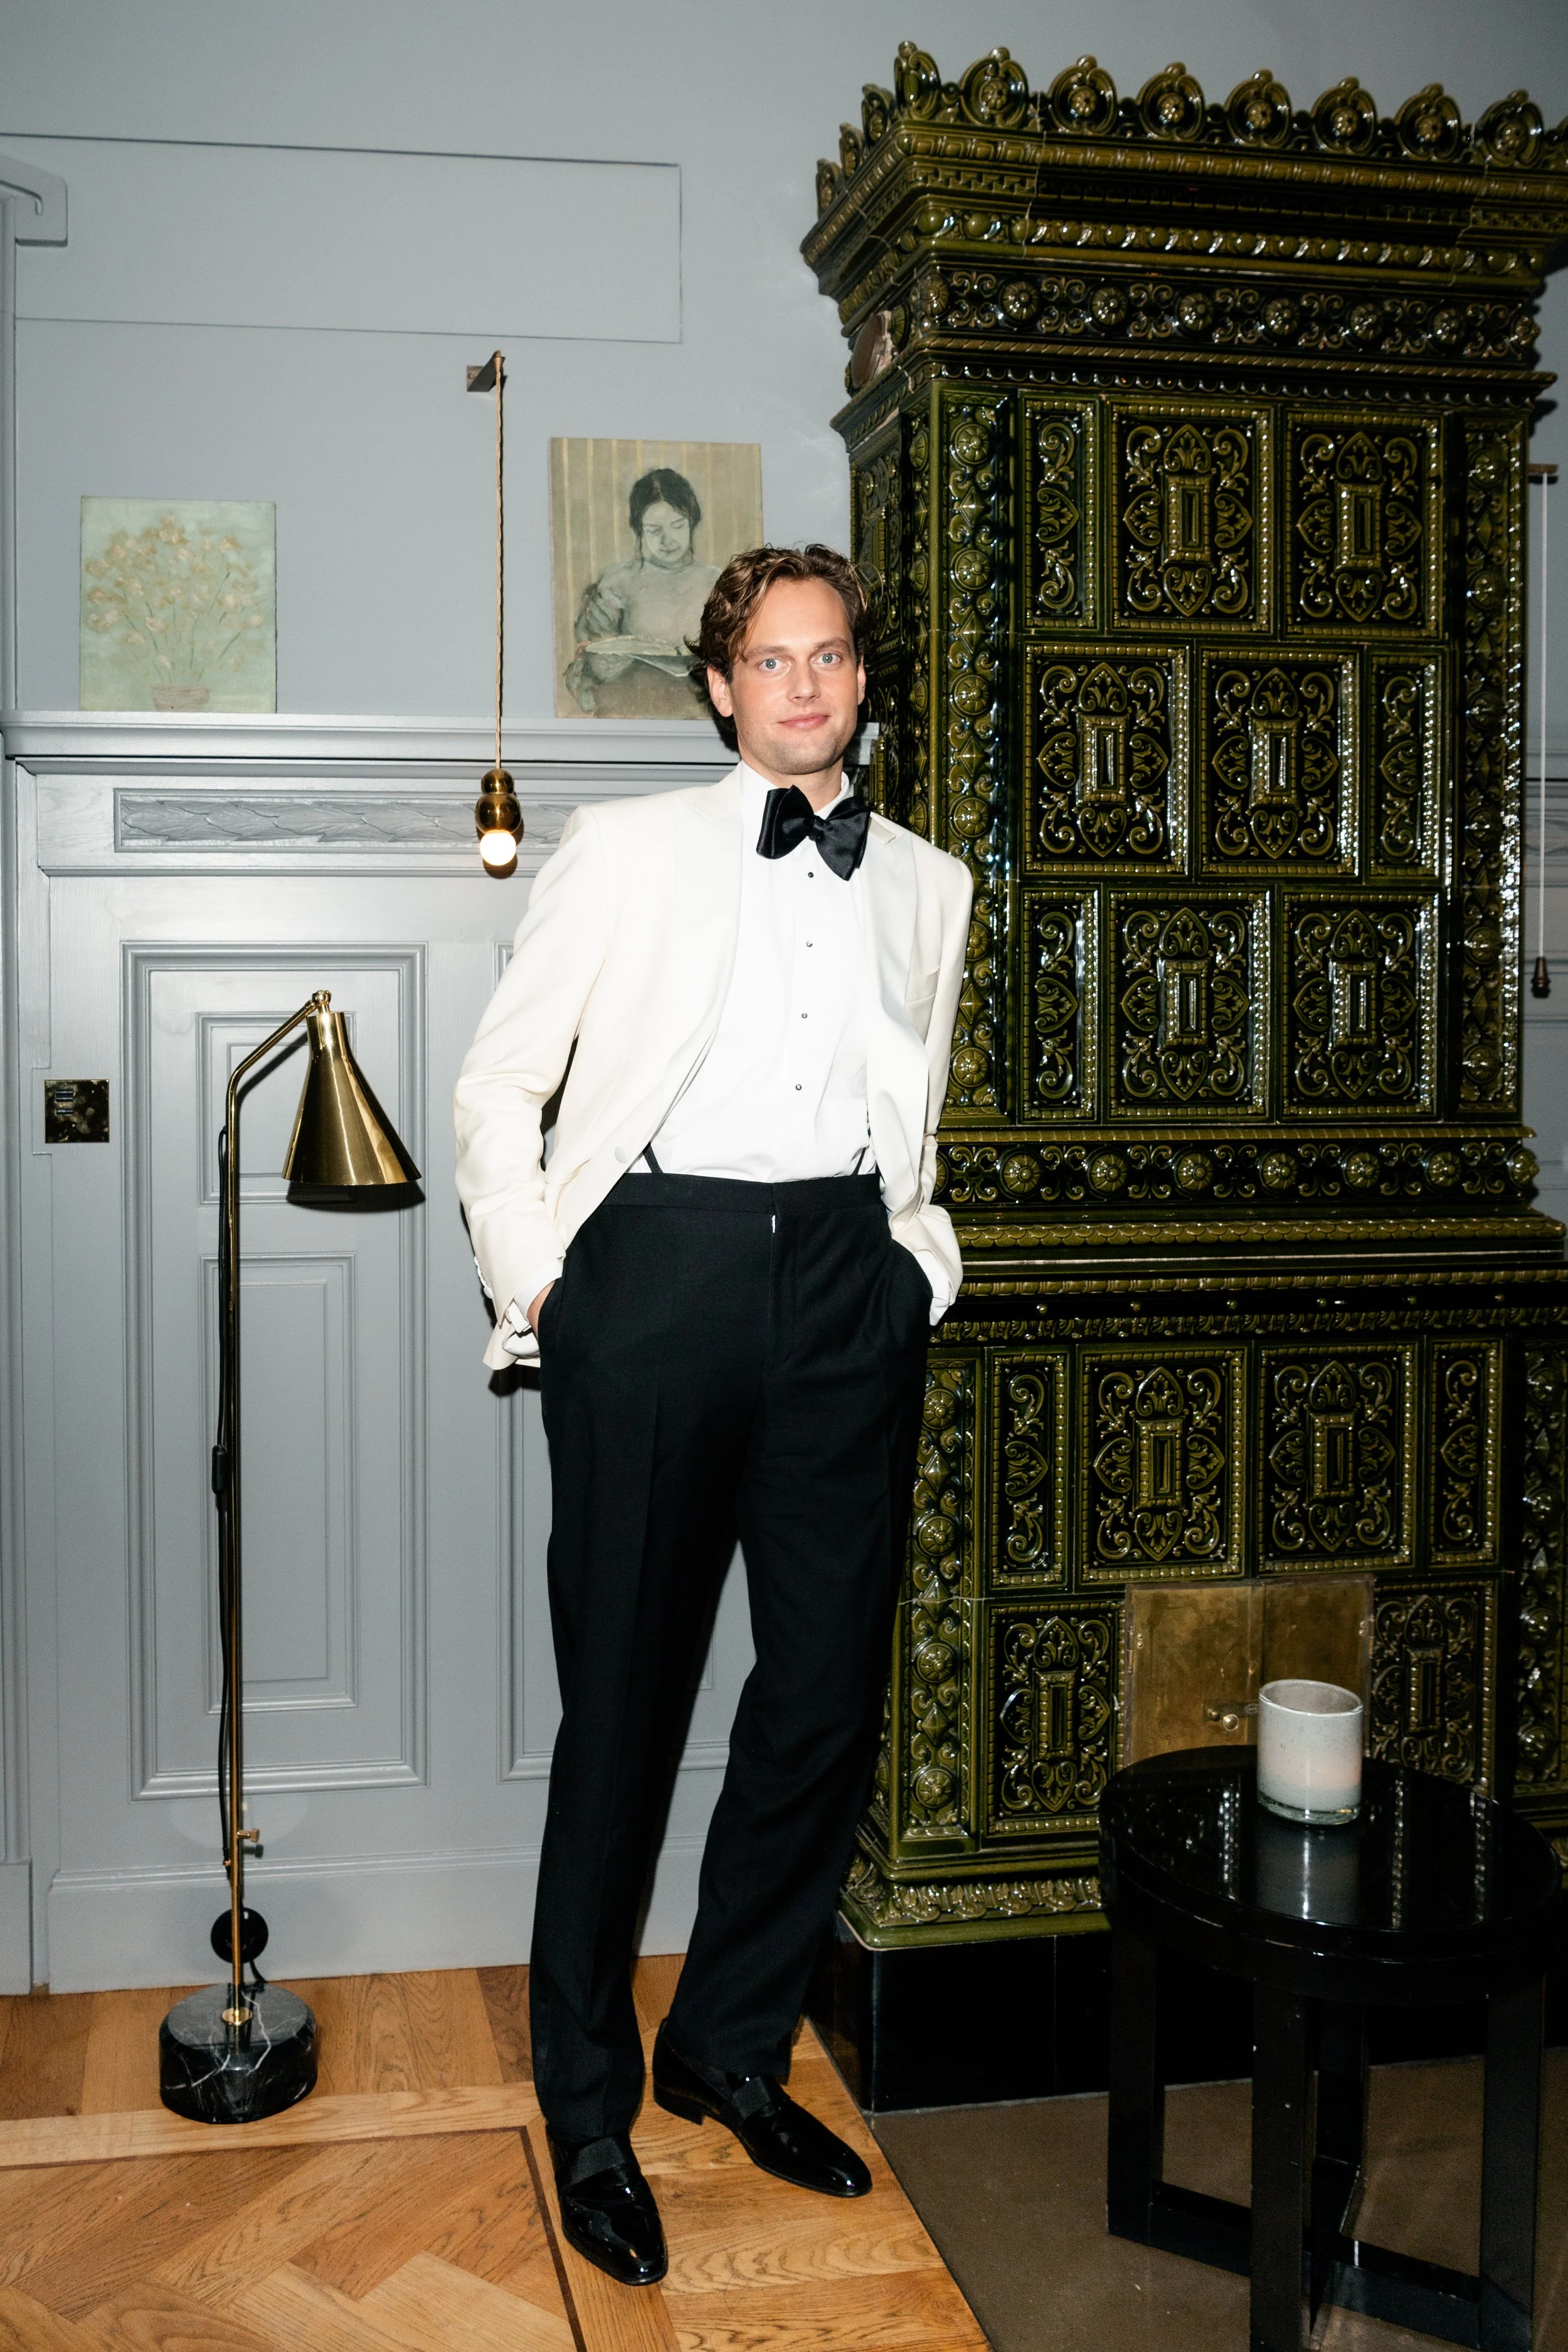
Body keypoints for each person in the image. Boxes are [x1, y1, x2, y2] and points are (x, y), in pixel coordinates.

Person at [454, 543, 972, 2286]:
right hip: (655, 1277)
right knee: (624, 1706)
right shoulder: (627, 850)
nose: (803, 685)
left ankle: (728, 2047)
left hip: (844, 1285)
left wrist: (913, 1268)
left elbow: (916, 1113)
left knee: (820, 1693)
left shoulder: (924, 880)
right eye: (770, 659)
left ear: (855, 678)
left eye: (828, 656)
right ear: (718, 684)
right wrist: (549, 1289)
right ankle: (590, 2104)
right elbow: (498, 1084)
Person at [563, 466, 720, 716]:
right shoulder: (618, 580)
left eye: (677, 526)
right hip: (632, 705)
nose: (667, 540)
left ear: (692, 523)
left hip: (701, 711)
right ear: (640, 531)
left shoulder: (716, 581)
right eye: (654, 531)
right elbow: (592, 656)